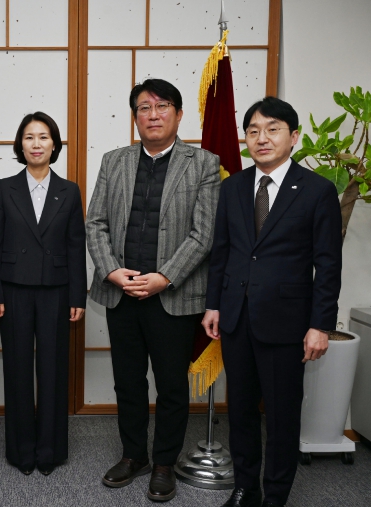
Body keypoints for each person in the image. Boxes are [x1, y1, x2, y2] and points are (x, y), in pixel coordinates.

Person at [86, 78, 220, 501]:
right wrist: (111, 271)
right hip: (121, 293)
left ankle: (164, 462)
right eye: (144, 107)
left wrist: (165, 276)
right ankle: (133, 456)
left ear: (178, 114)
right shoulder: (114, 161)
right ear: (135, 117)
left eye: (162, 106)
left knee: (171, 388)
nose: (153, 114)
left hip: (172, 296)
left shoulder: (204, 163)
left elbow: (204, 233)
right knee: (127, 383)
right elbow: (96, 223)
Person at [204, 97, 342, 507]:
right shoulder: (232, 187)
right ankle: (246, 488)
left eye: (272, 129)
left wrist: (320, 325)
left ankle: (276, 496)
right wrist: (214, 304)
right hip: (236, 318)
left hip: (287, 322)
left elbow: (327, 264)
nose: (261, 138)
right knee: (240, 410)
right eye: (253, 131)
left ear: (293, 136)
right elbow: (222, 252)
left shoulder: (318, 190)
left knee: (282, 415)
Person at [0, 112, 86, 476]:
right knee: (16, 370)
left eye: (43, 137)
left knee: (53, 370)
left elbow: (76, 246)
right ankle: (21, 452)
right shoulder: (4, 188)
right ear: (20, 145)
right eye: (29, 137)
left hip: (56, 292)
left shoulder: (70, 190)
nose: (36, 144)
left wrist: (77, 297)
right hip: (13, 290)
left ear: (54, 144)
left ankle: (50, 451)